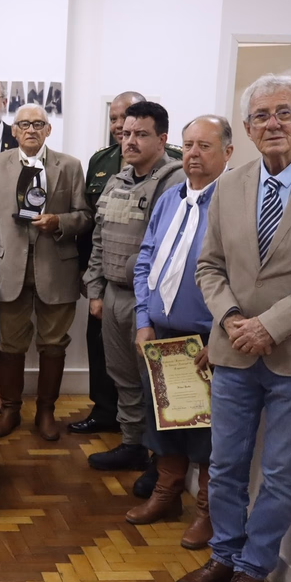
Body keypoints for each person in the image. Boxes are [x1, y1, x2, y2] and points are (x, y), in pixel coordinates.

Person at [175, 75, 291, 582]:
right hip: (231, 352)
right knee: (225, 466)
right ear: (247, 129)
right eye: (261, 116)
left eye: (283, 112)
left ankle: (255, 569)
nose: (272, 123)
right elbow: (209, 266)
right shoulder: (230, 185)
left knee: (279, 474)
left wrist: (270, 325)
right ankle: (224, 555)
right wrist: (230, 318)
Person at [127, 115, 232, 546]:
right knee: (164, 420)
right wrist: (143, 319)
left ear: (228, 152)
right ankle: (166, 494)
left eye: (204, 146)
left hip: (207, 340)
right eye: (188, 145)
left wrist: (222, 339)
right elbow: (146, 260)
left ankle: (206, 511)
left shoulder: (233, 203)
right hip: (161, 338)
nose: (193, 154)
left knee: (208, 432)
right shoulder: (170, 198)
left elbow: (240, 278)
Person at [0, 104, 92, 440]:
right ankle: (11, 410)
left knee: (54, 344)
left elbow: (84, 216)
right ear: (13, 130)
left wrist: (59, 222)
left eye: (38, 124)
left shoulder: (69, 166)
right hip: (9, 269)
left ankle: (45, 412)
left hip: (57, 269)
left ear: (48, 130)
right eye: (24, 124)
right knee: (10, 344)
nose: (31, 130)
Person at [84, 102, 184, 474]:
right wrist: (95, 290)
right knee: (123, 376)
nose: (129, 141)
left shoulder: (174, 182)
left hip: (152, 302)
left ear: (162, 139)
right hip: (113, 295)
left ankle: (163, 464)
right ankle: (131, 445)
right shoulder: (117, 180)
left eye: (140, 134)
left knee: (155, 383)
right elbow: (100, 238)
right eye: (125, 134)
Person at [68, 91, 145, 438]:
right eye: (113, 119)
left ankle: (142, 429)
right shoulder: (101, 161)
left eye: (126, 118)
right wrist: (89, 274)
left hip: (142, 284)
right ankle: (104, 410)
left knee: (140, 357)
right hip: (104, 276)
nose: (119, 126)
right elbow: (93, 225)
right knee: (99, 345)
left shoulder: (170, 167)